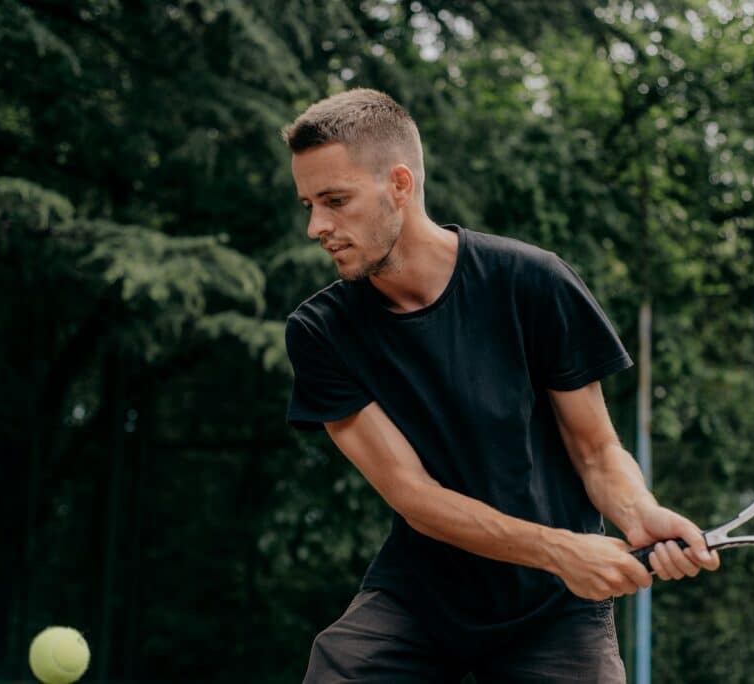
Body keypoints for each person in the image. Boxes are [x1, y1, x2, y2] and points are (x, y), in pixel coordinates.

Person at [282, 88, 719, 683]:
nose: (317, 226)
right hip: (419, 602)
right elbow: (415, 496)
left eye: (335, 200)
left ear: (400, 185)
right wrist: (561, 550)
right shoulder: (320, 332)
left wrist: (639, 513)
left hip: (556, 612)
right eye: (309, 203)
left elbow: (595, 450)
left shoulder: (532, 282)